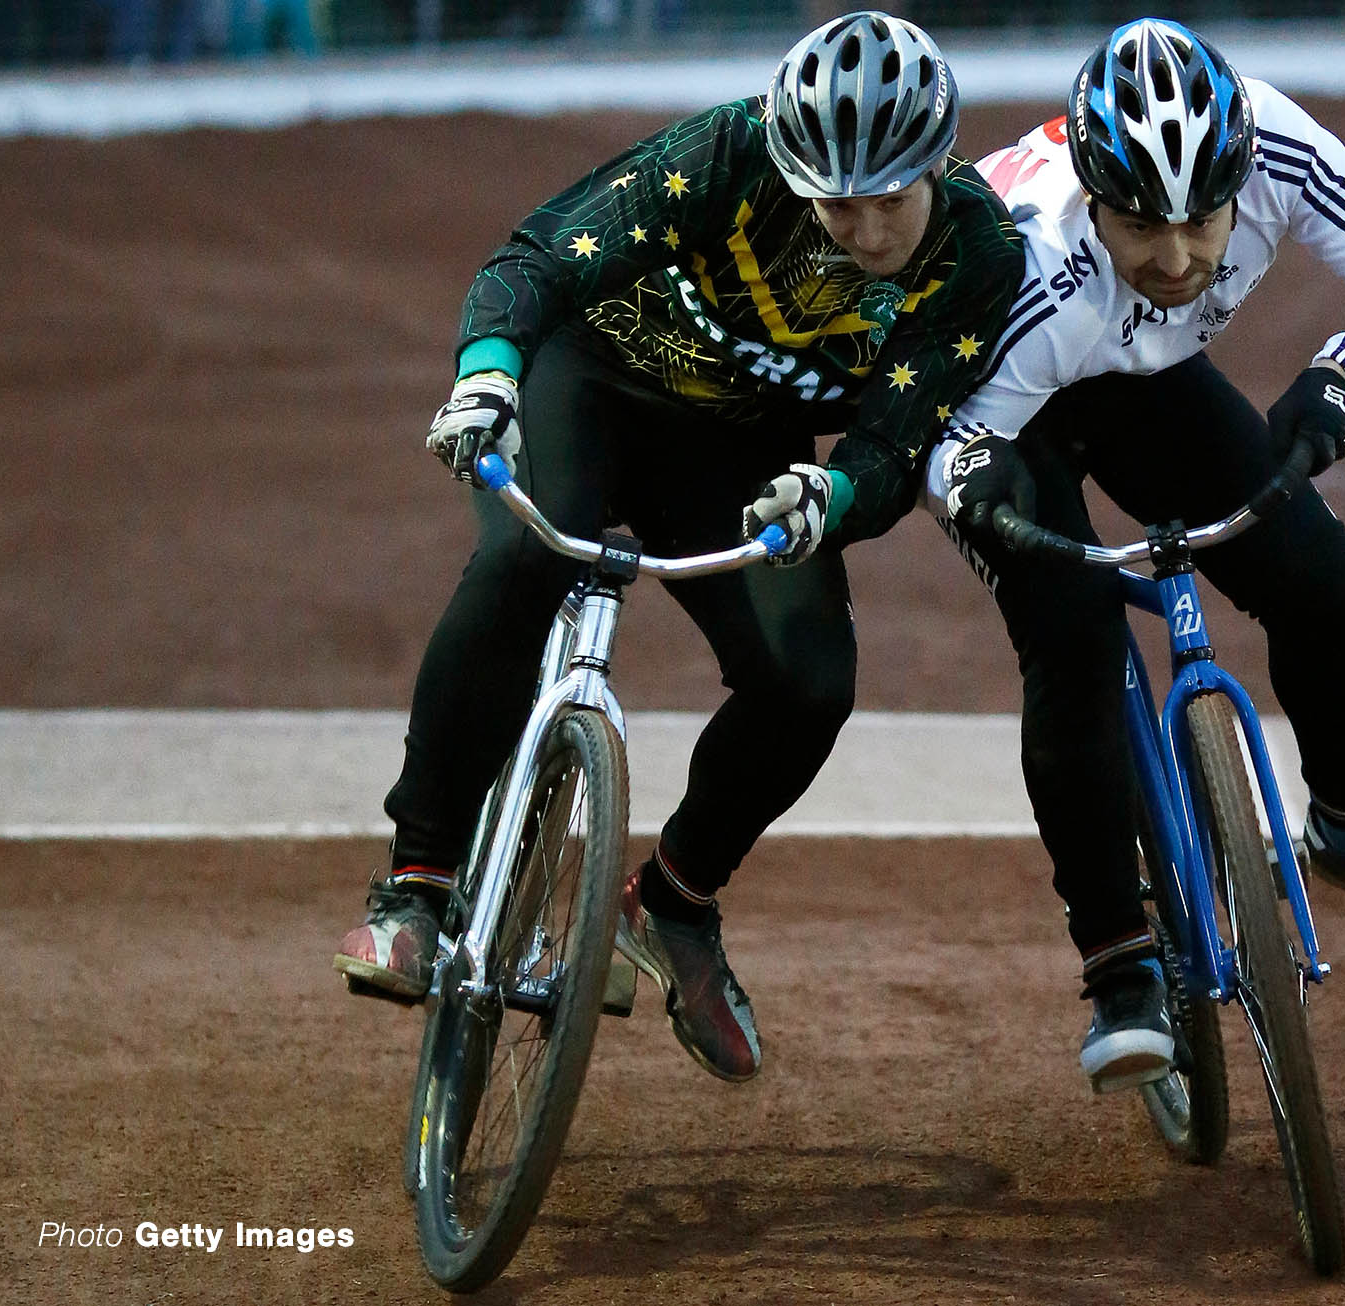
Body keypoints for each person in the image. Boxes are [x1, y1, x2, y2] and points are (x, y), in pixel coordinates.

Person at [335, 11, 1024, 1085]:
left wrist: (833, 493)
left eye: (889, 197)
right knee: (522, 562)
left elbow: (899, 439)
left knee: (809, 682)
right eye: (835, 201)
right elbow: (539, 258)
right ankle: (416, 881)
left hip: (740, 451)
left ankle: (674, 903)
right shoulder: (728, 152)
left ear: (937, 161)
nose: (865, 228)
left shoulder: (979, 254)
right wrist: (487, 374)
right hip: (595, 382)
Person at [928, 18, 1345, 1093]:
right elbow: (940, 431)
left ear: (1240, 176)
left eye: (1204, 224)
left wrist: (1342, 378)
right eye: (1142, 227)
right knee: (1075, 638)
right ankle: (1117, 964)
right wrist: (973, 487)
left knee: (1320, 579)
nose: (1180, 258)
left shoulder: (1274, 146)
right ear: (1093, 197)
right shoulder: (1027, 261)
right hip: (1002, 403)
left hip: (1143, 377)